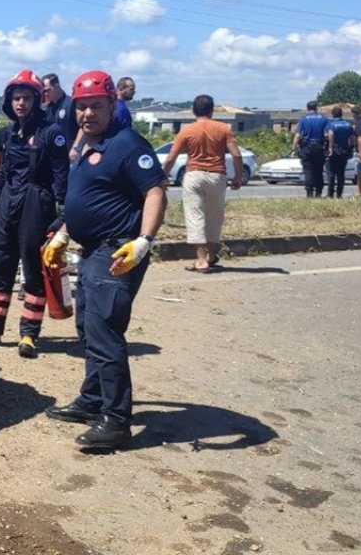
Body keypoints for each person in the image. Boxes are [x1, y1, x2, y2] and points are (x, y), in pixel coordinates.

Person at [41, 70, 166, 450]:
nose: (88, 114)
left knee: (104, 330)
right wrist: (64, 232)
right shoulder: (89, 145)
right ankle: (92, 400)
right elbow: (88, 196)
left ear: (114, 104)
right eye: (81, 107)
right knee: (88, 326)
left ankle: (115, 420)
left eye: (96, 106)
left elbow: (156, 192)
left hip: (117, 251)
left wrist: (144, 240)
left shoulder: (127, 144)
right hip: (91, 248)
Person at [0, 70, 69, 358]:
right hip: (9, 202)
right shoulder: (8, 134)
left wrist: (61, 210)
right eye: (16, 98)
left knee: (33, 268)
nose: (20, 103)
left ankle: (28, 335)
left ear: (37, 100)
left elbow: (62, 174)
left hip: (38, 202)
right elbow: (3, 173)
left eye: (26, 98)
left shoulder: (52, 134)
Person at [161, 95, 242, 273]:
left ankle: (200, 260)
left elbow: (171, 157)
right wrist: (237, 177)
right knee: (214, 217)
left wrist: (164, 177)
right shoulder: (223, 129)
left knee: (194, 216)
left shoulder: (187, 130)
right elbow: (236, 155)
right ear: (212, 110)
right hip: (217, 175)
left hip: (194, 174)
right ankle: (211, 255)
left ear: (193, 111)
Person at [292, 101, 328, 198]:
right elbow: (327, 134)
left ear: (307, 108)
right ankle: (319, 193)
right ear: (316, 108)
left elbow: (298, 135)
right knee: (319, 171)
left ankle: (309, 193)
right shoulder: (324, 119)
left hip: (307, 148)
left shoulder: (303, 119)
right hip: (319, 147)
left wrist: (293, 149)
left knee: (308, 170)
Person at [325, 107, 354, 199]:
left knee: (331, 173)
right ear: (341, 114)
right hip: (344, 151)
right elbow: (352, 138)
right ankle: (339, 194)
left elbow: (330, 134)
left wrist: (330, 147)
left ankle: (330, 194)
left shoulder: (331, 124)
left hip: (334, 150)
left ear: (333, 114)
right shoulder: (348, 124)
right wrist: (351, 148)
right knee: (341, 173)